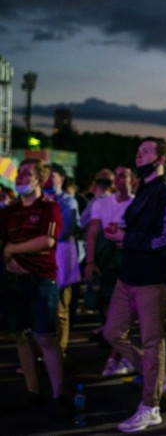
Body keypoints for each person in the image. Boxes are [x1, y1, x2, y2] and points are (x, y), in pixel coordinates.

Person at [103, 137, 166, 433]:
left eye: (146, 151)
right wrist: (121, 230)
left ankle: (151, 407)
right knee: (111, 332)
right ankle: (157, 376)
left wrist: (125, 238)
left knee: (152, 341)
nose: (139, 153)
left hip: (151, 278)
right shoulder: (145, 189)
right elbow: (144, 229)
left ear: (161, 159)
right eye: (138, 149)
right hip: (129, 274)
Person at [0, 158, 71, 419]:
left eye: (26, 174)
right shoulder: (9, 211)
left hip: (40, 281)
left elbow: (47, 241)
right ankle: (32, 391)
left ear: (39, 180)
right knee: (20, 337)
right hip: (13, 283)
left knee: (46, 338)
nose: (20, 178)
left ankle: (58, 393)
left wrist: (11, 250)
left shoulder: (49, 208)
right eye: (18, 174)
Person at [85, 166, 136, 376]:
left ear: (132, 180)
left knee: (122, 308)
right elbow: (93, 231)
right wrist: (90, 261)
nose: (119, 179)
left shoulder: (136, 203)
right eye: (117, 175)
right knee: (105, 305)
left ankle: (119, 356)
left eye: (124, 175)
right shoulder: (101, 203)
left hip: (126, 260)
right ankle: (121, 353)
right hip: (106, 259)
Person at [44, 163, 81, 355]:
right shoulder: (39, 198)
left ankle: (60, 351)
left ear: (62, 178)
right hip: (43, 260)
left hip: (61, 259)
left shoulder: (68, 202)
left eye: (53, 174)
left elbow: (64, 231)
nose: (49, 178)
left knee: (60, 310)